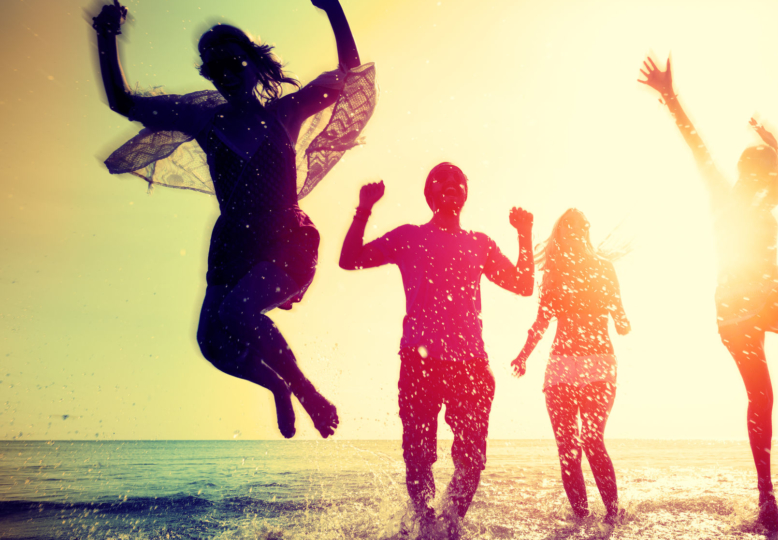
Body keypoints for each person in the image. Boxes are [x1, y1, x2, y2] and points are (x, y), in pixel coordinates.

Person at [92, 0, 376, 438]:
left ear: (251, 63)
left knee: (239, 312)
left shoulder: (285, 113)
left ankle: (307, 392)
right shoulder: (204, 119)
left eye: (232, 63)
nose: (224, 74)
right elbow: (122, 103)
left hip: (286, 237)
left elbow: (349, 74)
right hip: (234, 242)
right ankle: (278, 386)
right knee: (212, 343)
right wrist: (106, 35)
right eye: (214, 68)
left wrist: (334, 9)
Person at [637, 55, 778, 531]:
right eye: (751, 174)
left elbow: (775, 174)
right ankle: (766, 494)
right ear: (742, 177)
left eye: (763, 176)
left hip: (769, 290)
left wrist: (773, 147)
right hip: (734, 302)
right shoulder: (725, 194)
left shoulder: (768, 198)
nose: (758, 182)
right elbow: (697, 146)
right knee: (760, 396)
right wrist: (670, 97)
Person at [338, 166, 534, 526]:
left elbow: (523, 285)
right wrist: (363, 209)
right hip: (419, 362)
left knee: (472, 459)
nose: (452, 186)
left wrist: (525, 234)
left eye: (458, 181)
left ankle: (450, 523)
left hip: (471, 365)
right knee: (418, 456)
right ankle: (425, 523)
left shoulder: (480, 243)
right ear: (430, 194)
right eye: (442, 181)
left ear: (464, 195)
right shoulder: (408, 237)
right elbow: (349, 260)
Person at [510, 209, 631, 525]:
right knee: (568, 450)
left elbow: (620, 317)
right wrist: (523, 355)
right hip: (561, 366)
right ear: (561, 235)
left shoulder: (605, 269)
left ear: (586, 232)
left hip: (599, 364)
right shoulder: (553, 274)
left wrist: (621, 319)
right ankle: (582, 519)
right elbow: (541, 322)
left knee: (592, 440)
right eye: (568, 228)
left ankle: (613, 517)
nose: (574, 233)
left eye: (580, 228)